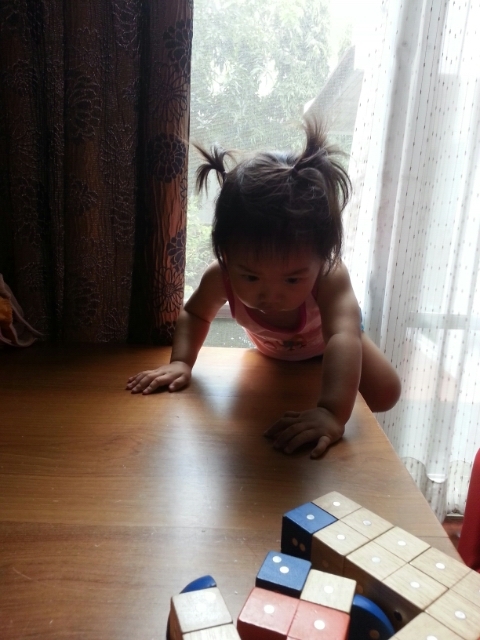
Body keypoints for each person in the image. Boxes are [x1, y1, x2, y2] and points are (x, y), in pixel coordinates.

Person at [126, 119, 401, 459]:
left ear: (322, 259)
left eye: (292, 280)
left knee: (386, 392)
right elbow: (195, 314)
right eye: (252, 278)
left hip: (329, 343)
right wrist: (182, 362)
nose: (271, 295)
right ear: (226, 255)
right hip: (276, 352)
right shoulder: (221, 275)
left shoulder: (330, 277)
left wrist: (332, 413)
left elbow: (342, 338)